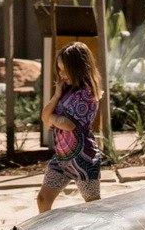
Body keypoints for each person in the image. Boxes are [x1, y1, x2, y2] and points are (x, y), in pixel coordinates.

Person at [37, 43, 103, 211]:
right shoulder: (65, 91)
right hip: (62, 158)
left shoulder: (87, 93)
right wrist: (57, 95)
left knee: (93, 205)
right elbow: (45, 117)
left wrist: (52, 117)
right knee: (43, 199)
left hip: (83, 159)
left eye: (66, 70)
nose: (61, 74)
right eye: (59, 69)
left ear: (79, 68)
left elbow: (68, 125)